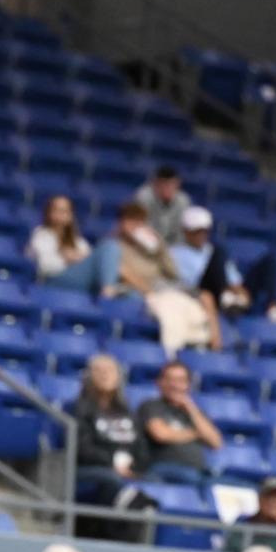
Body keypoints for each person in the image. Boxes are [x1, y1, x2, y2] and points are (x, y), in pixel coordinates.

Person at [168, 206, 276, 341]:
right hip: (203, 294)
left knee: (269, 261)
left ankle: (273, 309)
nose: (201, 236)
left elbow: (233, 276)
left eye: (204, 231)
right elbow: (188, 283)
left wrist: (240, 291)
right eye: (197, 232)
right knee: (219, 252)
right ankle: (226, 297)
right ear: (186, 232)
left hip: (231, 293)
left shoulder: (210, 250)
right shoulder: (175, 253)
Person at [111, 202, 211, 355]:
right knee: (171, 308)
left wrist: (159, 247)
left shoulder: (151, 248)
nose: (136, 226)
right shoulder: (115, 246)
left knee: (196, 304)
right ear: (121, 223)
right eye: (131, 221)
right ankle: (171, 353)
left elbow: (173, 273)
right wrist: (148, 291)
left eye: (140, 222)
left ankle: (198, 347)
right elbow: (122, 275)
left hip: (165, 287)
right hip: (142, 292)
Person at [70, 355, 144, 510]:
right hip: (91, 469)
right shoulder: (78, 409)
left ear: (119, 377)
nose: (105, 374)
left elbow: (140, 446)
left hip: (126, 469)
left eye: (110, 370)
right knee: (111, 479)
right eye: (98, 370)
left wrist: (133, 466)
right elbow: (82, 448)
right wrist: (112, 462)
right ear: (88, 377)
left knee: (154, 480)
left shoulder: (128, 412)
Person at [137, 361, 220, 485]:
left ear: (188, 385)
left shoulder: (195, 412)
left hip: (199, 472)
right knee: (197, 481)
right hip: (165, 469)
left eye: (181, 380)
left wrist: (191, 408)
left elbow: (216, 442)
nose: (175, 385)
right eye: (170, 379)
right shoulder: (151, 406)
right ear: (159, 382)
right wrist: (196, 433)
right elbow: (161, 434)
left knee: (236, 486)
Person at [27, 194, 124, 297]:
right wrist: (65, 259)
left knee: (131, 294)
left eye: (65, 211)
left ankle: (110, 290)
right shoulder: (41, 234)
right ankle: (107, 292)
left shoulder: (78, 241)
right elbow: (45, 266)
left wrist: (76, 258)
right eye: (57, 210)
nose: (61, 214)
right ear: (49, 213)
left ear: (71, 215)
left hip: (80, 282)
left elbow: (88, 260)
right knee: (110, 246)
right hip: (54, 280)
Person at [135, 166, 192, 244]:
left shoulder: (183, 201)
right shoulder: (144, 197)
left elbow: (182, 233)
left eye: (171, 184)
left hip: (173, 246)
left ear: (177, 184)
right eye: (163, 184)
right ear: (155, 184)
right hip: (146, 243)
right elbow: (139, 227)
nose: (167, 188)